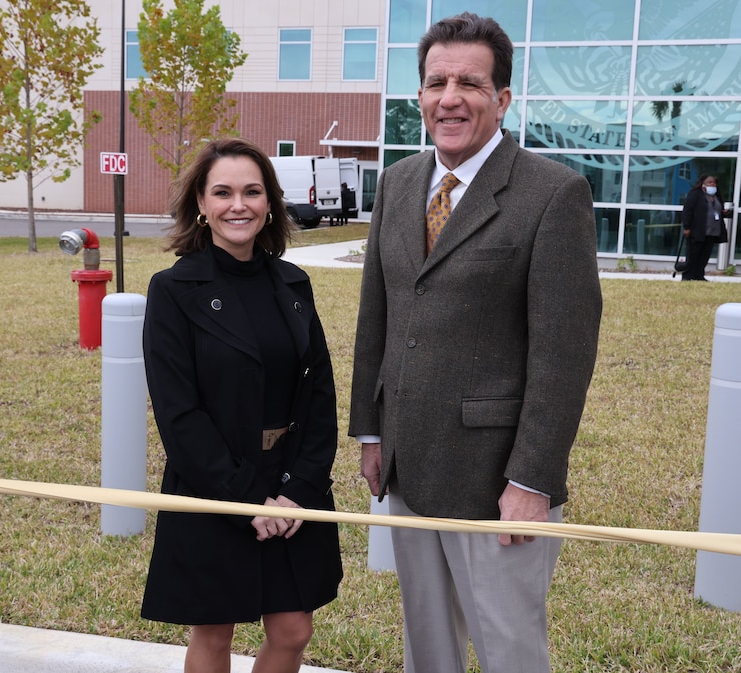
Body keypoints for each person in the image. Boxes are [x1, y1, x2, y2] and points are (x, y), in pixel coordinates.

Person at [348, 13, 602, 673]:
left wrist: (532, 479)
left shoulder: (554, 194)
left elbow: (563, 355)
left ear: (502, 98)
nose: (449, 97)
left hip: (497, 484)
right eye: (436, 82)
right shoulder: (400, 182)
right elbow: (377, 314)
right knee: (425, 649)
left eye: (470, 83)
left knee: (509, 650)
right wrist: (371, 433)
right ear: (421, 95)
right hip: (407, 466)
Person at [141, 138, 342, 673]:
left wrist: (298, 491)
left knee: (294, 631)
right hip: (215, 482)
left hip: (292, 485)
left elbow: (319, 394)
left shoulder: (294, 284)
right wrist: (248, 499)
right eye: (223, 192)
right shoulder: (172, 291)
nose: (239, 205)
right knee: (214, 631)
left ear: (270, 202)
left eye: (252, 191)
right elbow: (177, 414)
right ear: (201, 205)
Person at [681, 174, 730, 281]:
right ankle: (688, 275)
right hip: (697, 230)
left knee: (705, 255)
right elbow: (687, 211)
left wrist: (723, 212)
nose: (712, 184)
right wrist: (687, 227)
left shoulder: (717, 196)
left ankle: (699, 275)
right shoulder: (695, 194)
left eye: (714, 182)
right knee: (693, 253)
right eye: (710, 182)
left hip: (713, 231)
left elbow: (719, 209)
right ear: (703, 184)